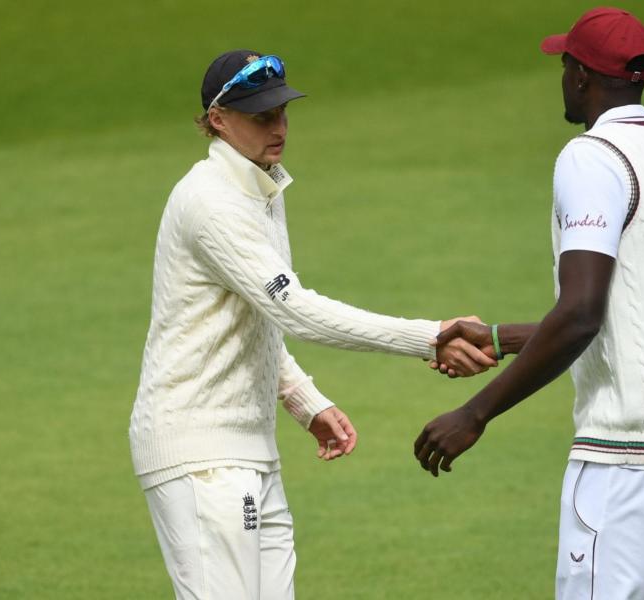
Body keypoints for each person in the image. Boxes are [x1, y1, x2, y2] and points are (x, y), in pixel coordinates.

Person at [129, 49, 496, 600]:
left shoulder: (262, 186)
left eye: (280, 112)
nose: (277, 127)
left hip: (249, 449)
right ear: (217, 120)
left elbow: (255, 316)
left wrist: (305, 400)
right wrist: (428, 335)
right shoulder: (211, 202)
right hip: (203, 452)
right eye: (260, 117)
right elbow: (293, 309)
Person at [415, 8, 644, 599]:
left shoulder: (592, 157)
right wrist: (496, 337)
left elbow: (581, 314)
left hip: (639, 451)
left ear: (580, 75)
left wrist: (475, 414)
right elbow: (629, 311)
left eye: (565, 63)